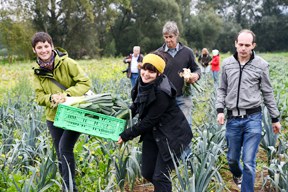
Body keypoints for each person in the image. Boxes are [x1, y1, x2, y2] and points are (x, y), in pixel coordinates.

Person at [216, 29, 281, 191]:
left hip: (253, 119)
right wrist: (219, 110)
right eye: (240, 44)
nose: (243, 48)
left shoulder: (261, 65)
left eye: (247, 45)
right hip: (233, 119)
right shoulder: (227, 64)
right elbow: (222, 89)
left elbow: (267, 92)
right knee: (231, 159)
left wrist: (275, 118)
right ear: (235, 44)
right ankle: (236, 175)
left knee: (249, 162)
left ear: (253, 45)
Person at [118, 53, 193, 192]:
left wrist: (126, 135)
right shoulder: (141, 83)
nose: (146, 74)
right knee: (147, 172)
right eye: (144, 69)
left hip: (172, 136)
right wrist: (119, 118)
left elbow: (149, 121)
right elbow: (135, 106)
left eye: (151, 71)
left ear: (159, 73)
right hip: (154, 134)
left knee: (160, 177)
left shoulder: (162, 93)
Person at [31, 32, 91, 192]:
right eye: (39, 47)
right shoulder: (37, 72)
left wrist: (67, 94)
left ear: (51, 46)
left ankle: (69, 188)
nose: (43, 50)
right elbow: (38, 97)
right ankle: (69, 185)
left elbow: (85, 82)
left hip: (74, 113)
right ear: (34, 50)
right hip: (53, 117)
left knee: (65, 148)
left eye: (46, 46)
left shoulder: (68, 63)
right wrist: (51, 98)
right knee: (60, 153)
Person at [157, 21, 201, 127]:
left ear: (177, 35)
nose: (168, 40)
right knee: (167, 127)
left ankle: (185, 144)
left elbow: (196, 69)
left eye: (170, 37)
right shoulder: (158, 54)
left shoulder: (187, 52)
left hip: (183, 97)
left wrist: (195, 75)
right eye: (165, 37)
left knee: (184, 127)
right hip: (165, 98)